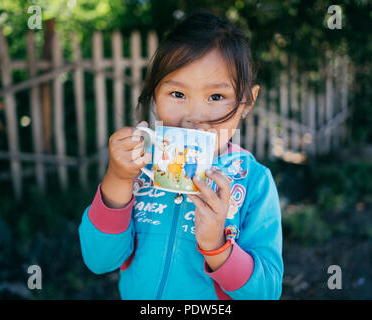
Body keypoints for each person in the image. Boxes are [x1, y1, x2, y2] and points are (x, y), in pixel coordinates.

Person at [78, 11, 283, 300]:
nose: (193, 117)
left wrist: (217, 247)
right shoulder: (137, 169)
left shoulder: (255, 182)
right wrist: (117, 179)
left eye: (215, 97)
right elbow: (99, 261)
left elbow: (266, 292)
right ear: (155, 92)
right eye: (177, 94)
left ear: (247, 102)